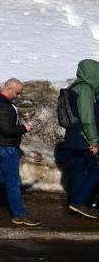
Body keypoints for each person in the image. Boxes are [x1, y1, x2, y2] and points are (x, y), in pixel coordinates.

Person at [0, 78, 40, 227]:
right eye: (17, 93)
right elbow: (7, 130)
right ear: (9, 88)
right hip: (6, 148)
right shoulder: (3, 106)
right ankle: (19, 214)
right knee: (13, 182)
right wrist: (24, 128)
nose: (18, 96)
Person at [62, 59, 99, 219]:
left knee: (78, 170)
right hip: (84, 138)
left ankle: (74, 202)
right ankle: (80, 202)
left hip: (72, 139)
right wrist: (93, 141)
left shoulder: (73, 88)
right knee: (96, 169)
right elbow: (87, 118)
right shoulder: (85, 90)